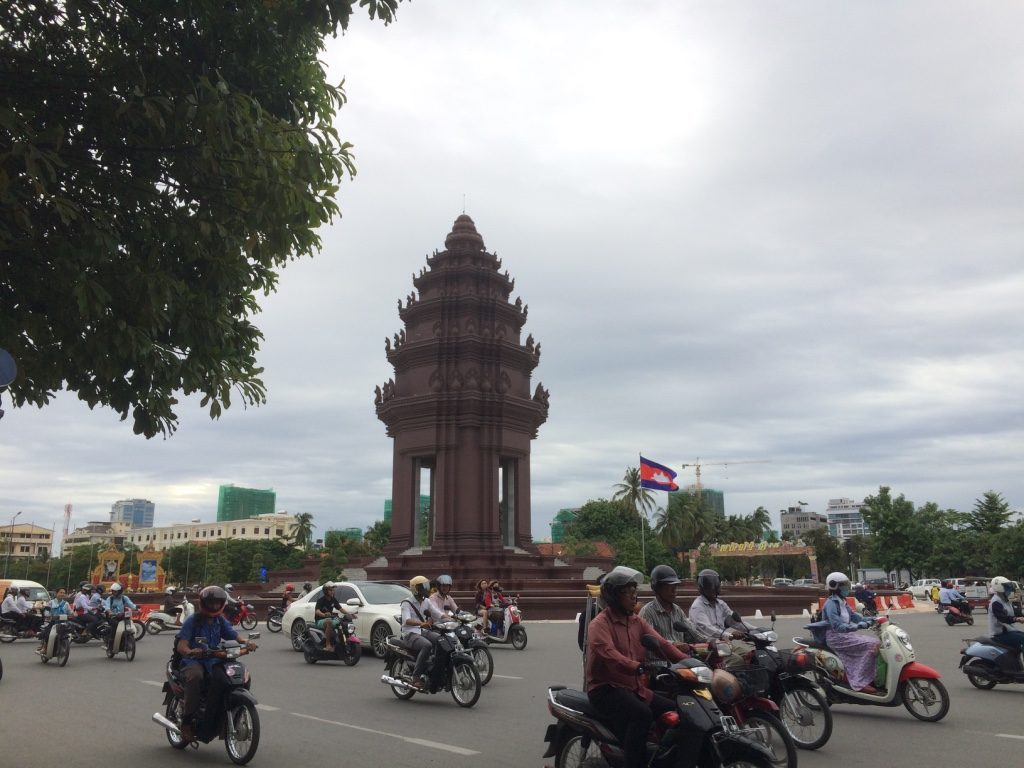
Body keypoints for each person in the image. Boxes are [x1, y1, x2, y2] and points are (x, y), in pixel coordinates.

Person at [586, 567, 685, 768]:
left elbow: (662, 644)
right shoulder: (599, 624)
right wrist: (636, 666)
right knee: (642, 714)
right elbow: (609, 655)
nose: (634, 597)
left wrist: (688, 662)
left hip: (633, 687)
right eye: (628, 593)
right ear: (614, 596)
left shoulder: (636, 621)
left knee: (679, 709)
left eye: (634, 592)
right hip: (605, 689)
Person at [175, 585, 255, 743]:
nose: (214, 606)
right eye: (211, 603)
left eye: (217, 603)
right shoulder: (193, 620)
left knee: (235, 675)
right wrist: (191, 651)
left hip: (214, 660)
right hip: (194, 661)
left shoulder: (220, 620)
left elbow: (233, 635)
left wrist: (246, 642)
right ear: (204, 603)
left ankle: (222, 710)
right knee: (196, 677)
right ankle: (187, 722)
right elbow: (181, 645)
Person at [821, 571, 881, 694]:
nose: (846, 588)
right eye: (843, 585)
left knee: (877, 643)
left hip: (844, 636)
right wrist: (858, 626)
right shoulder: (831, 604)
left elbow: (853, 616)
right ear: (834, 586)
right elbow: (837, 626)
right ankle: (859, 682)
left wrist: (872, 619)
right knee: (872, 644)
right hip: (836, 637)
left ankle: (866, 676)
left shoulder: (842, 601)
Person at [637, 565, 704, 663]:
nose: (674, 591)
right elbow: (650, 642)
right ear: (657, 588)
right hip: (660, 665)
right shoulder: (647, 612)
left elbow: (692, 633)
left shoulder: (678, 610)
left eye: (675, 586)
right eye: (669, 587)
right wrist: (674, 644)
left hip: (682, 662)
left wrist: (709, 641)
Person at [688, 569, 753, 668]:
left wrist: (756, 631)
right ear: (703, 588)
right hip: (707, 647)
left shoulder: (720, 604)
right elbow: (707, 628)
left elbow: (735, 621)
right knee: (737, 660)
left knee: (750, 655)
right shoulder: (697, 607)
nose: (713, 591)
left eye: (715, 588)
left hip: (723, 645)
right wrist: (729, 635)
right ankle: (726, 682)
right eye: (710, 589)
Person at [401, 575, 442, 691]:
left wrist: (452, 618)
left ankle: (434, 666)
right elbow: (407, 620)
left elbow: (437, 613)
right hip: (409, 634)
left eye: (426, 586)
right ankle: (416, 676)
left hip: (422, 631)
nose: (426, 589)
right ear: (416, 589)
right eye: (423, 587)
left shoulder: (427, 601)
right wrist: (421, 623)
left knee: (441, 639)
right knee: (427, 645)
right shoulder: (406, 603)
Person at [987, 577, 1024, 654]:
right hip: (1000, 634)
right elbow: (1003, 618)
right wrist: (1016, 619)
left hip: (1009, 631)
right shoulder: (996, 602)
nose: (1009, 589)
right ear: (1000, 588)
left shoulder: (1005, 599)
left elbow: (1016, 613)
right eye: (1006, 587)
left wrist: (1020, 616)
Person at [314, 581, 350, 653]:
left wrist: (349, 614)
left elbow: (341, 609)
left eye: (333, 590)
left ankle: (340, 642)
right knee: (329, 621)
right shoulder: (321, 600)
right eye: (330, 590)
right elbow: (317, 611)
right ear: (326, 591)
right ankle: (328, 645)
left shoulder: (333, 600)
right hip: (320, 620)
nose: (332, 592)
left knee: (342, 622)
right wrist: (324, 615)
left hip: (330, 618)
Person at [102, 582, 137, 652]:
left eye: (115, 591)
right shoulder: (110, 599)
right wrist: (110, 612)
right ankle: (111, 644)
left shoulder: (124, 598)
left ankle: (125, 640)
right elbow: (107, 607)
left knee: (128, 625)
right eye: (113, 591)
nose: (113, 592)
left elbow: (131, 605)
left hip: (121, 615)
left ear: (120, 591)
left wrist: (137, 608)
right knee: (115, 625)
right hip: (112, 617)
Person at [37, 587, 72, 653]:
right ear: (57, 593)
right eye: (61, 592)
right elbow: (47, 612)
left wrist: (73, 614)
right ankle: (45, 646)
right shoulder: (51, 602)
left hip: (63, 623)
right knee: (48, 634)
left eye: (64, 593)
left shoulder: (66, 603)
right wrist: (48, 616)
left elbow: (70, 612)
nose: (62, 594)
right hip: (53, 622)